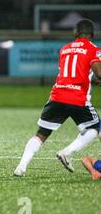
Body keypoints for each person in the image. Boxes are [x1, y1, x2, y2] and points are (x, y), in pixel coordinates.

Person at [14, 19, 101, 177]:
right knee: (95, 128)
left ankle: (21, 167)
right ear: (93, 35)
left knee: (41, 134)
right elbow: (99, 72)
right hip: (77, 98)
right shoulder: (93, 49)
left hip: (57, 95)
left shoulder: (64, 49)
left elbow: (73, 74)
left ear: (75, 33)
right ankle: (67, 152)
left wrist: (93, 80)